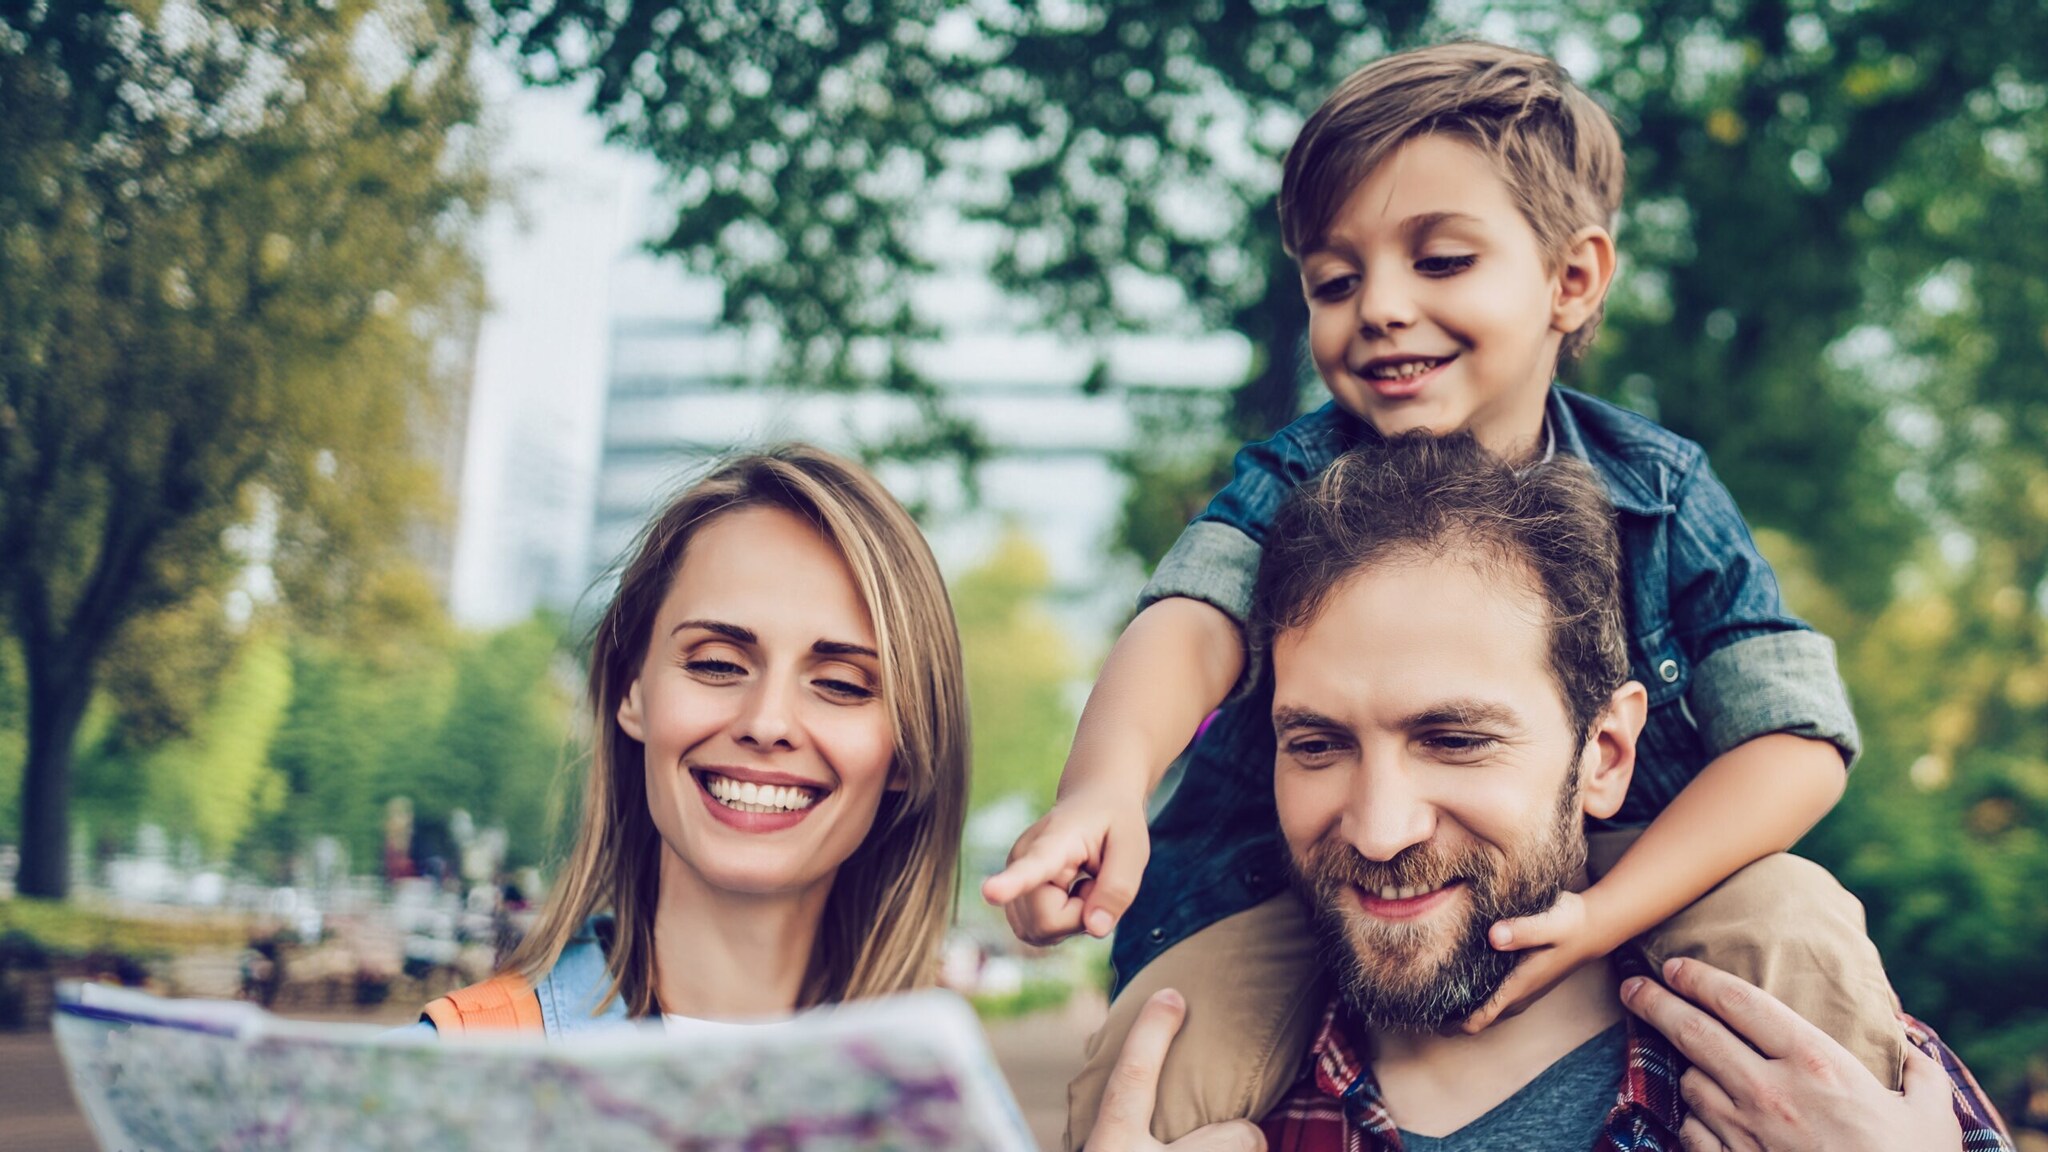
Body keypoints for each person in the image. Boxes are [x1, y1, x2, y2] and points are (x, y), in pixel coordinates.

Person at [983, 42, 1903, 1137]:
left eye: (1439, 261)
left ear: (1571, 279)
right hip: (1296, 882)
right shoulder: (1290, 481)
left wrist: (1607, 912)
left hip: (1608, 849)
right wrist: (1101, 790)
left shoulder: (1656, 489)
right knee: (1165, 1045)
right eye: (1333, 280)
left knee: (1793, 923)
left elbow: (1793, 738)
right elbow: (1186, 625)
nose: (1376, 306)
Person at [1077, 435, 2011, 1152]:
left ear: (1605, 752)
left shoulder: (1828, 1078)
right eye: (1317, 745)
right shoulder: (1192, 1107)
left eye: (1454, 740)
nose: (1379, 826)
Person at [405, 444, 969, 1036]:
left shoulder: (946, 1108)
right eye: (718, 665)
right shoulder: (442, 1071)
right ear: (633, 692)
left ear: (909, 747)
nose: (768, 722)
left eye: (840, 683)